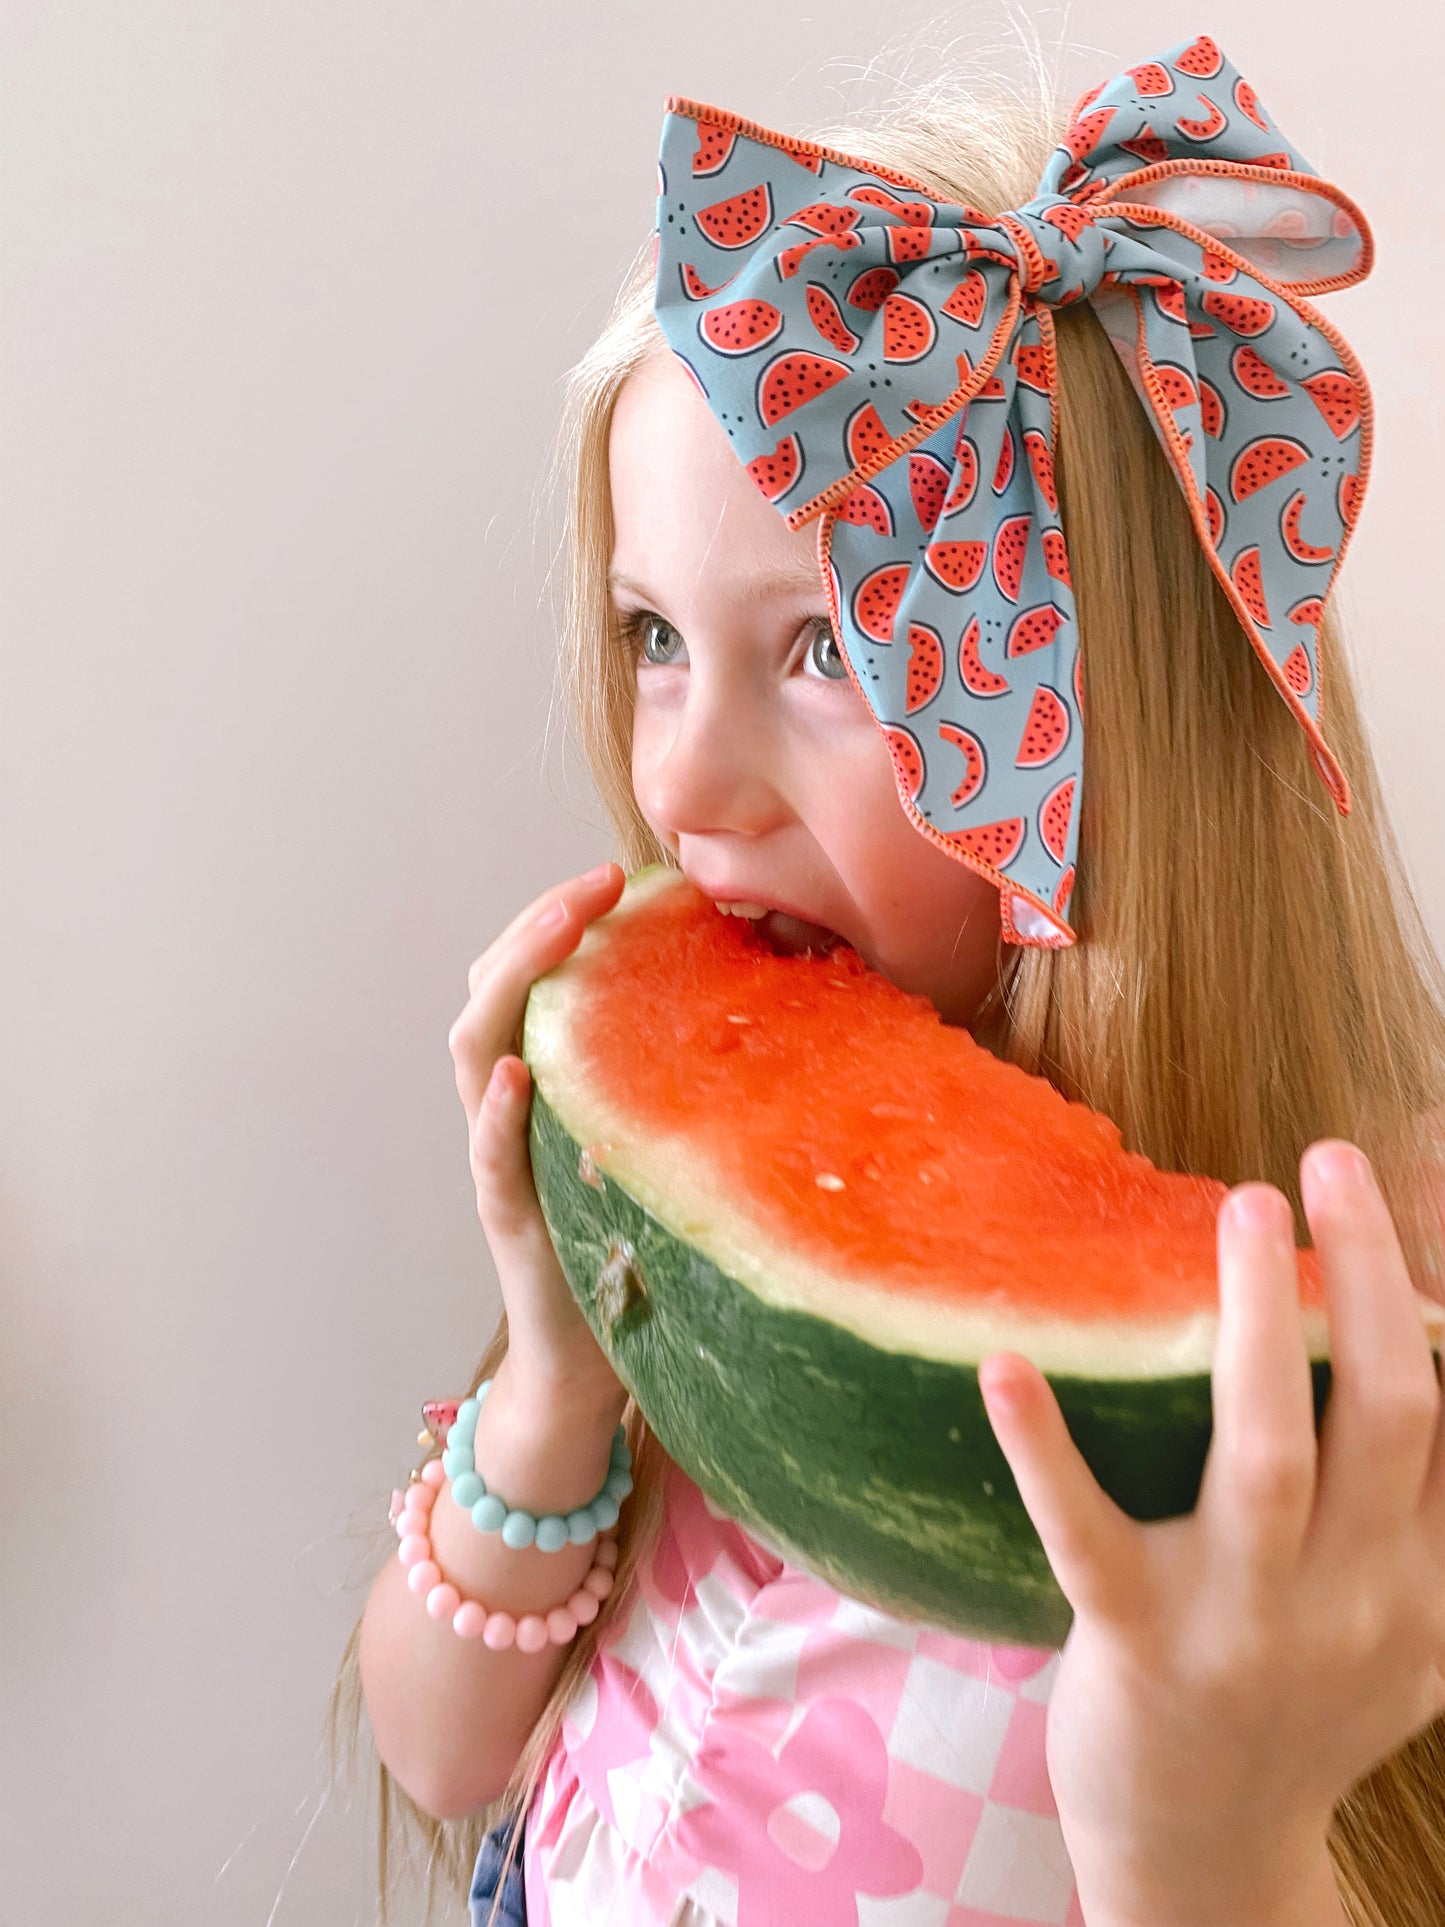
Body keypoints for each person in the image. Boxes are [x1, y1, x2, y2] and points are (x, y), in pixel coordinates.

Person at [330, 30, 1445, 1927]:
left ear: (1117, 727)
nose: (673, 780)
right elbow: (443, 1758)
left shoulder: (1365, 1335)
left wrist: (1216, 1836)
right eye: (654, 634)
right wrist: (553, 1381)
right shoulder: (702, 1202)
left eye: (835, 652)